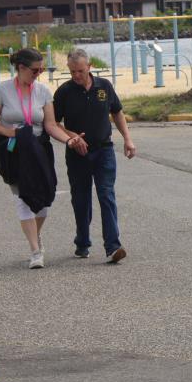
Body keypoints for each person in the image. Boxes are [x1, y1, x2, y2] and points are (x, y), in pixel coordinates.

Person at [0, 48, 83, 269]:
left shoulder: (43, 91)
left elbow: (50, 125)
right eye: (35, 70)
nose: (38, 74)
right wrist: (12, 133)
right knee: (23, 198)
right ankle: (35, 251)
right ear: (21, 68)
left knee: (45, 199)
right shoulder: (3, 90)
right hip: (13, 150)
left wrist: (68, 140)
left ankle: (35, 236)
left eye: (41, 70)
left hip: (38, 149)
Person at [53, 48, 135, 263]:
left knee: (106, 194)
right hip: (77, 154)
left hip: (104, 150)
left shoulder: (104, 86)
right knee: (81, 199)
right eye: (72, 71)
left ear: (89, 67)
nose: (76, 75)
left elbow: (117, 112)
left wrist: (127, 139)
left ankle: (113, 246)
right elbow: (53, 123)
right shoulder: (64, 92)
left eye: (80, 71)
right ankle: (82, 242)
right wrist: (72, 137)